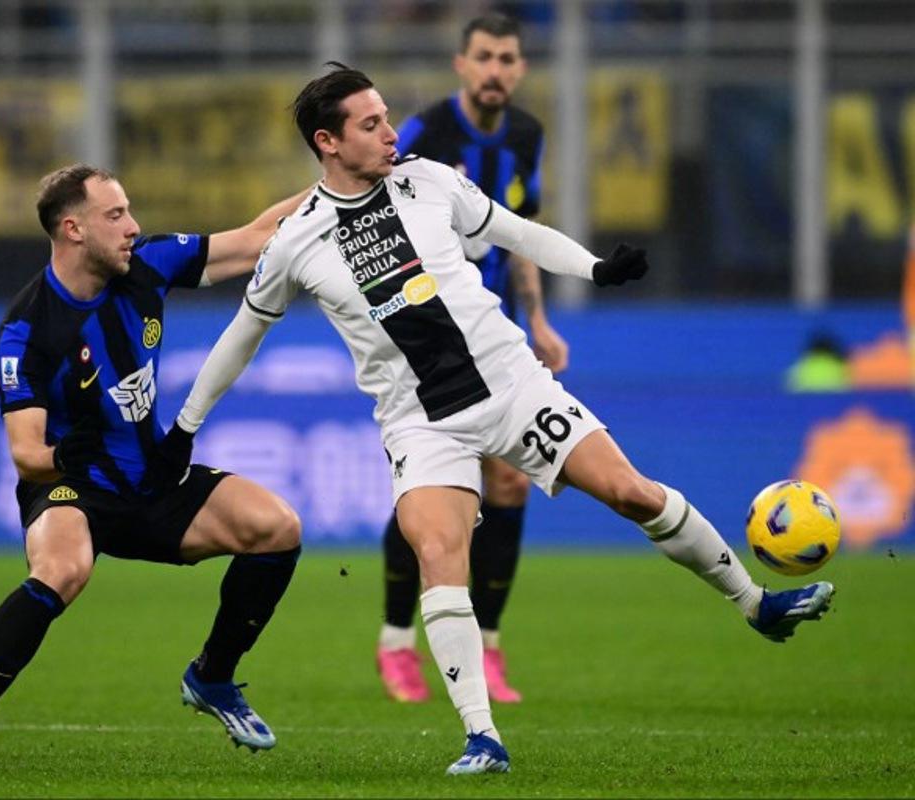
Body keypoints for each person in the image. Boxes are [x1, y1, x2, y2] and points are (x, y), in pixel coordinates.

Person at [160, 65, 836, 775]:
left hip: (513, 385)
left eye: (387, 116)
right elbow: (241, 336)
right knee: (439, 555)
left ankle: (756, 603)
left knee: (633, 492)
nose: (391, 131)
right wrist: (185, 425)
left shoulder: (430, 180)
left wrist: (596, 269)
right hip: (423, 424)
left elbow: (516, 232)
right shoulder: (297, 241)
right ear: (327, 142)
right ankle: (483, 738)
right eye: (370, 124)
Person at [0, 165, 307, 772]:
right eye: (116, 216)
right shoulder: (26, 330)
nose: (134, 227)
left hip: (152, 481)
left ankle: (213, 677)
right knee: (63, 567)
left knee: (277, 528)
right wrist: (72, 454)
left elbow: (259, 236)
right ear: (73, 229)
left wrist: (343, 186)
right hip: (75, 487)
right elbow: (27, 454)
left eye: (128, 212)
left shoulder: (147, 264)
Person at [376, 12, 565, 706]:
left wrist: (538, 317)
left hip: (500, 336)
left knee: (511, 486)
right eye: (484, 57)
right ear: (462, 63)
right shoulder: (424, 133)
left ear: (520, 67)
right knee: (424, 496)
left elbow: (521, 231)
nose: (496, 70)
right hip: (429, 342)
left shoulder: (526, 135)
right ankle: (397, 642)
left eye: (508, 59)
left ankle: (488, 648)